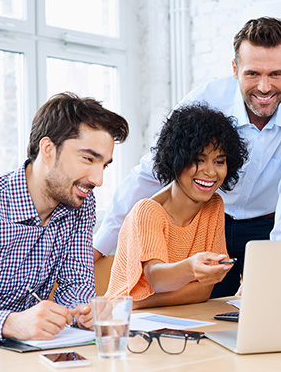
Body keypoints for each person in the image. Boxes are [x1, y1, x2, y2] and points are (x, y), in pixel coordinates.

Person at [94, 17, 281, 297]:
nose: (264, 87)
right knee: (208, 305)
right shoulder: (206, 99)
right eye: (252, 73)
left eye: (276, 74)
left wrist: (276, 259)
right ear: (235, 69)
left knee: (266, 304)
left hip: (269, 222)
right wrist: (99, 246)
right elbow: (152, 168)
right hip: (213, 219)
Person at [0, 92, 129, 342]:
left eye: (104, 165)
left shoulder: (80, 203)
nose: (98, 179)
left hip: (31, 351)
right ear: (48, 150)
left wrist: (83, 312)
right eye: (88, 159)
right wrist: (7, 324)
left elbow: (76, 285)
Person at [105, 104, 248, 308]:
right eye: (199, 160)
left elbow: (204, 290)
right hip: (125, 321)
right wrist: (191, 269)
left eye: (219, 161)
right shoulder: (148, 211)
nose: (210, 172)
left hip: (176, 315)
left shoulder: (214, 205)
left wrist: (136, 302)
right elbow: (157, 279)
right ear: (176, 159)